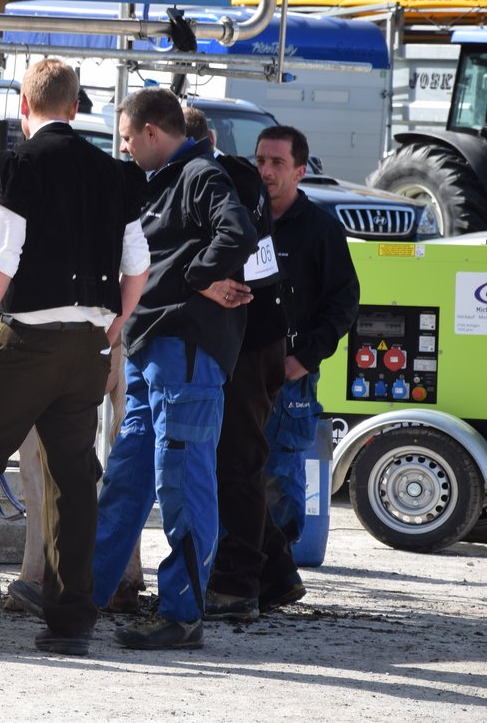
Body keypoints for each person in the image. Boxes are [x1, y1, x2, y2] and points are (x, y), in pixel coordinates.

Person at [0, 58, 150, 656]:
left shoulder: (15, 164)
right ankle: (71, 622)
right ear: (76, 107)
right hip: (87, 348)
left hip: (27, 341)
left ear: (25, 105)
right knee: (73, 478)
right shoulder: (116, 174)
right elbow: (137, 264)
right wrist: (114, 326)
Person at [91, 87, 259, 650]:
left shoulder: (200, 176)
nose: (122, 147)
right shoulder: (158, 181)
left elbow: (237, 231)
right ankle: (84, 595)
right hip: (149, 353)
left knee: (181, 485)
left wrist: (195, 277)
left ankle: (182, 615)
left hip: (184, 353)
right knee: (127, 479)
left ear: (151, 133)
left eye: (125, 137)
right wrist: (192, 273)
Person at [184, 108, 293, 622]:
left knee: (237, 464)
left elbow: (243, 257)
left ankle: (239, 585)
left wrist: (195, 279)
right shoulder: (239, 176)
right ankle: (277, 574)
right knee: (239, 463)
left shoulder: (213, 179)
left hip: (249, 341)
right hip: (259, 336)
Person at [254, 125, 359, 611]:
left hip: (293, 373)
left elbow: (344, 304)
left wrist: (305, 358)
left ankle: (277, 573)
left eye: (277, 163)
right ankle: (243, 571)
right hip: (242, 370)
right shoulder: (242, 219)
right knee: (234, 471)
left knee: (280, 471)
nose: (266, 171)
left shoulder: (320, 229)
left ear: (300, 170)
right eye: (260, 160)